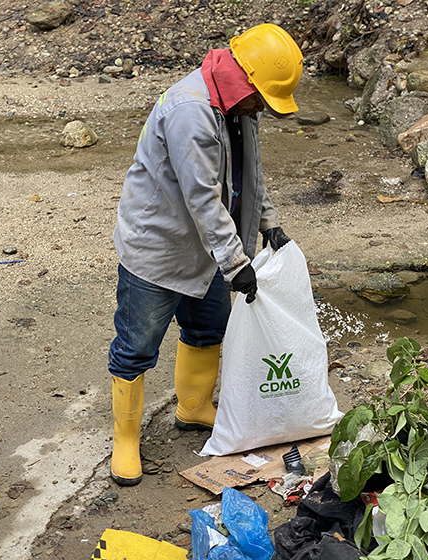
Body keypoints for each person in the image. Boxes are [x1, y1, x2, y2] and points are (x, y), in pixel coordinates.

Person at [107, 23, 304, 486]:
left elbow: (250, 173)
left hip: (213, 246)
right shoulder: (189, 112)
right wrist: (237, 263)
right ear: (249, 81)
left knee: (209, 327)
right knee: (137, 345)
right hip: (159, 248)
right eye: (265, 100)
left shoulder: (240, 107)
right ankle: (126, 439)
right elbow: (202, 198)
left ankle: (193, 406)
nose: (264, 110)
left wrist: (268, 221)